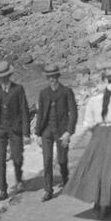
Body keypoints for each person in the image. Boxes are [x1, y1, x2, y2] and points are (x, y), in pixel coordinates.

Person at [63, 61, 111, 219]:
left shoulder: (94, 101)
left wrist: (97, 132)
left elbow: (88, 123)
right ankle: (106, 204)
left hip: (99, 135)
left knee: (96, 169)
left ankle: (97, 202)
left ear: (104, 81)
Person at [0, 61, 30, 201]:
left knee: (17, 157)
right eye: (0, 77)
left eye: (5, 76)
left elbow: (24, 111)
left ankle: (19, 179)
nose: (3, 79)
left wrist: (26, 133)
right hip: (0, 131)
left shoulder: (18, 89)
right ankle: (3, 190)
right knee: (0, 161)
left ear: (9, 75)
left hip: (15, 130)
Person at [35, 64, 78, 202]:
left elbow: (74, 113)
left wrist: (69, 132)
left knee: (62, 160)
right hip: (47, 131)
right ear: (47, 78)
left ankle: (66, 179)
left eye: (54, 77)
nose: (52, 80)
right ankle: (48, 190)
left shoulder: (67, 92)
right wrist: (37, 134)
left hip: (62, 131)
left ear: (57, 77)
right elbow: (40, 114)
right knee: (47, 161)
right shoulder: (43, 93)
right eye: (49, 77)